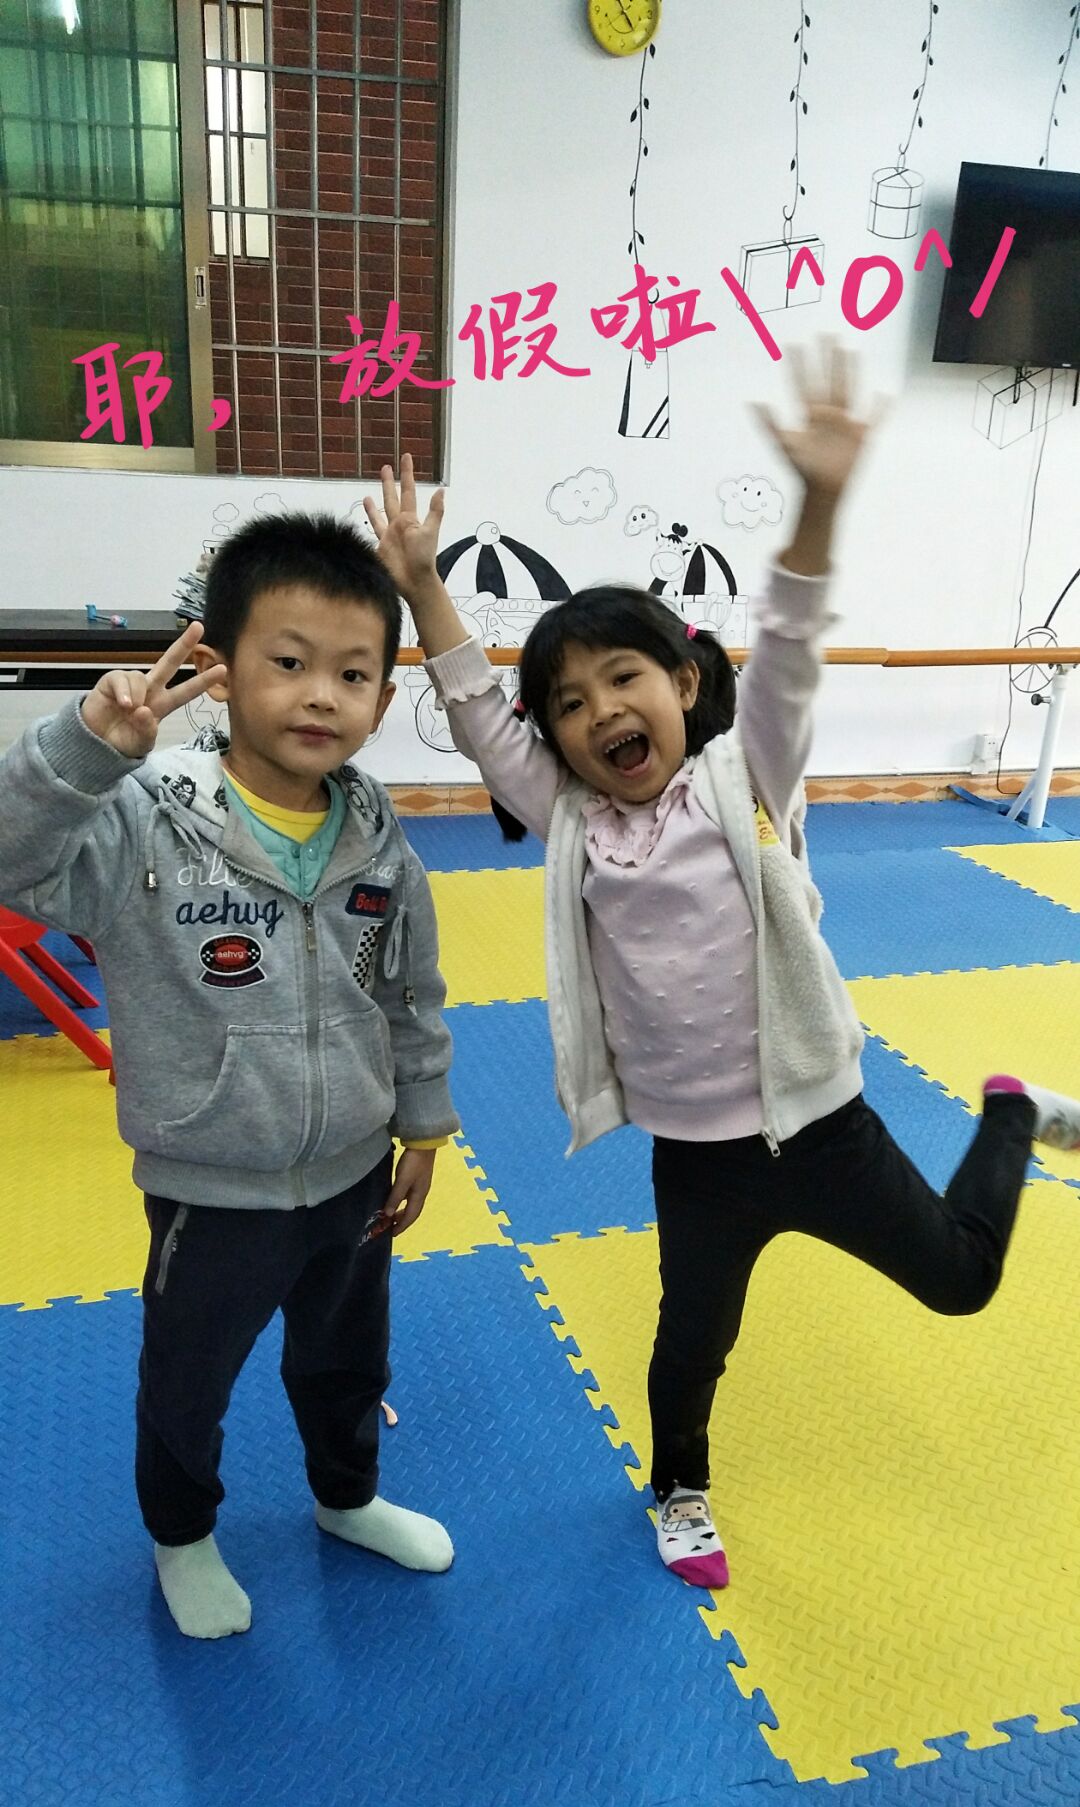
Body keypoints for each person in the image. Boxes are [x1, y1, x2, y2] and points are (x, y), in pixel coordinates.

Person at [364, 344, 1080, 1591]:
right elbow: (479, 712)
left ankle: (1010, 1118)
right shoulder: (576, 819)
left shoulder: (745, 776)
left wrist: (820, 500)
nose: (600, 712)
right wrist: (423, 585)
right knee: (688, 1340)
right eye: (569, 703)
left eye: (623, 679)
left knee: (962, 1282)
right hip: (698, 1158)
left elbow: (791, 644)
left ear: (685, 683)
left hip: (825, 1126)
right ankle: (679, 1489)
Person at [0, 512, 459, 1639]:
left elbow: (410, 991)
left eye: (352, 674)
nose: (320, 696)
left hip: (354, 1174)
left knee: (347, 1361)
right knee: (188, 1384)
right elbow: (12, 861)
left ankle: (346, 1497)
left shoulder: (377, 836)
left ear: (382, 700)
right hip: (211, 1188)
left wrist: (422, 1124)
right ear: (220, 666)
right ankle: (182, 1536)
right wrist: (85, 751)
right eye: (288, 662)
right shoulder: (144, 822)